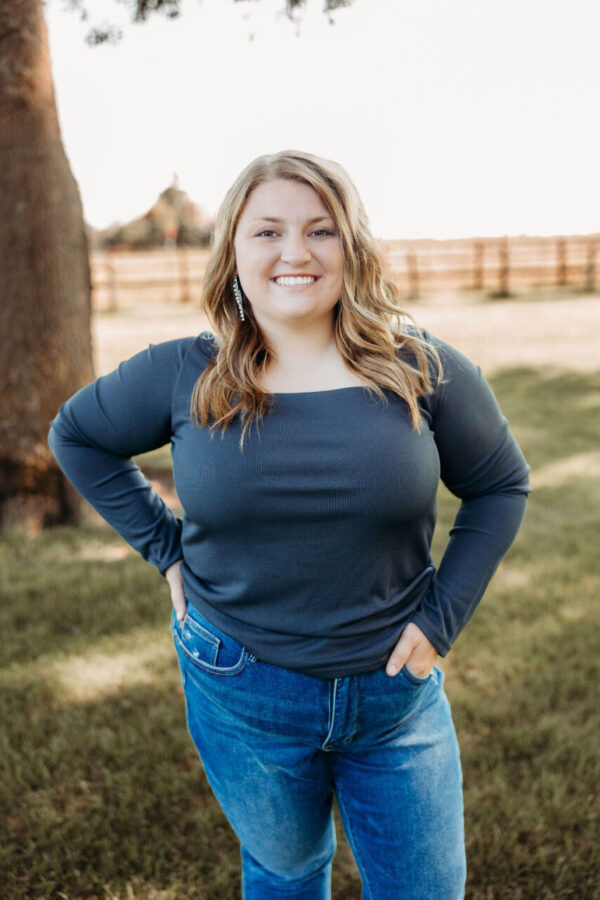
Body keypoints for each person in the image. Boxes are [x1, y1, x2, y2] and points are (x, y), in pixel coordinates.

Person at [49, 149, 530, 900]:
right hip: (241, 688)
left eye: (321, 230)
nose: (295, 253)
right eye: (267, 232)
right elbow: (76, 436)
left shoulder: (421, 368)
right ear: (234, 252)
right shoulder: (184, 373)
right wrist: (164, 549)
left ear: (352, 245)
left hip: (394, 691)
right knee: (286, 872)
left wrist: (442, 619)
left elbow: (501, 484)